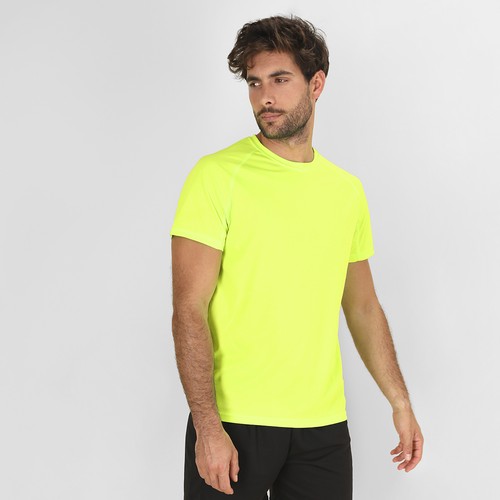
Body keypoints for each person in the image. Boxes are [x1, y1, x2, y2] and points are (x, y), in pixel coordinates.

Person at [170, 14, 423, 499]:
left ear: (316, 84)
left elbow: (363, 307)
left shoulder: (345, 192)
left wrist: (400, 400)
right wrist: (207, 426)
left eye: (280, 79)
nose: (264, 96)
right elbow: (188, 308)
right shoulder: (216, 176)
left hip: (322, 429)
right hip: (235, 423)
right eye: (255, 82)